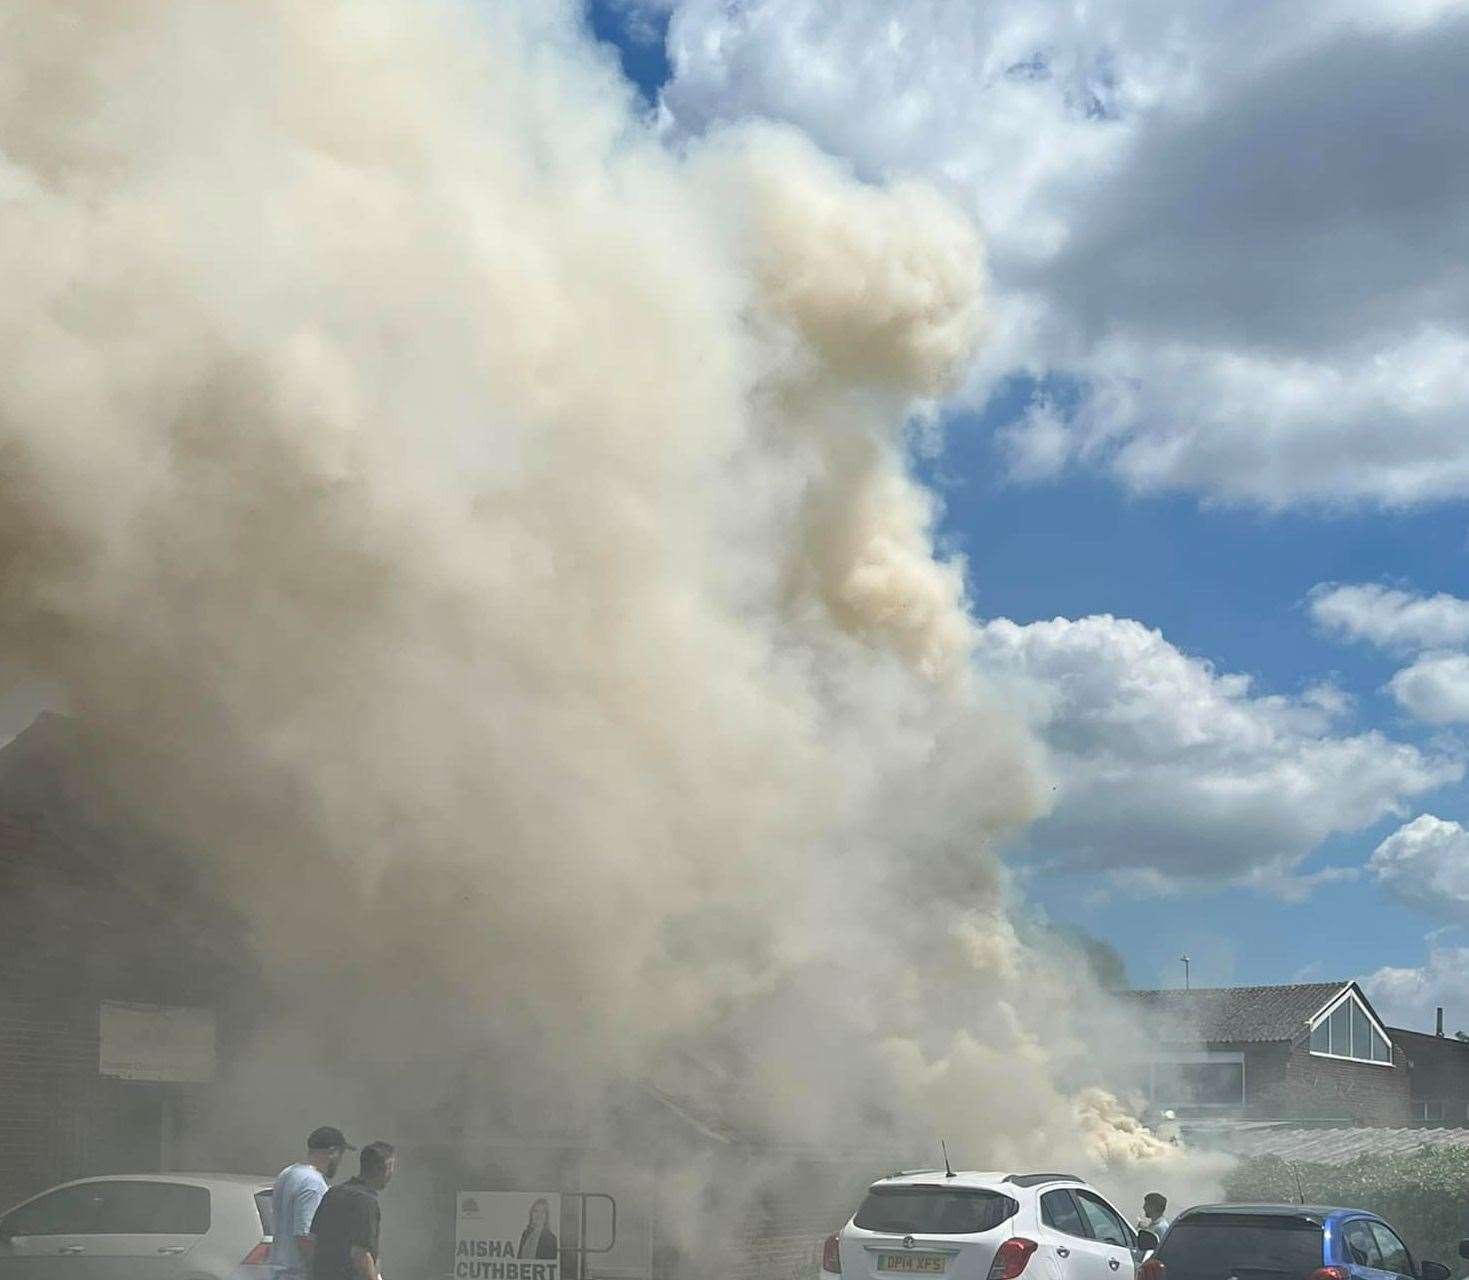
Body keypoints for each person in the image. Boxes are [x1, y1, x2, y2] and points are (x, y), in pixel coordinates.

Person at [270, 1127, 354, 1280]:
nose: (341, 1160)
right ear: (332, 1152)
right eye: (341, 1154)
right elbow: (305, 1236)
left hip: (279, 1271)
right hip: (299, 1274)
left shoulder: (288, 1173)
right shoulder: (314, 1184)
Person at [310, 1141, 396, 1280]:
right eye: (391, 1168)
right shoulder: (366, 1202)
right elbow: (361, 1255)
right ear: (385, 1168)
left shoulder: (333, 1193)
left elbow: (313, 1240)